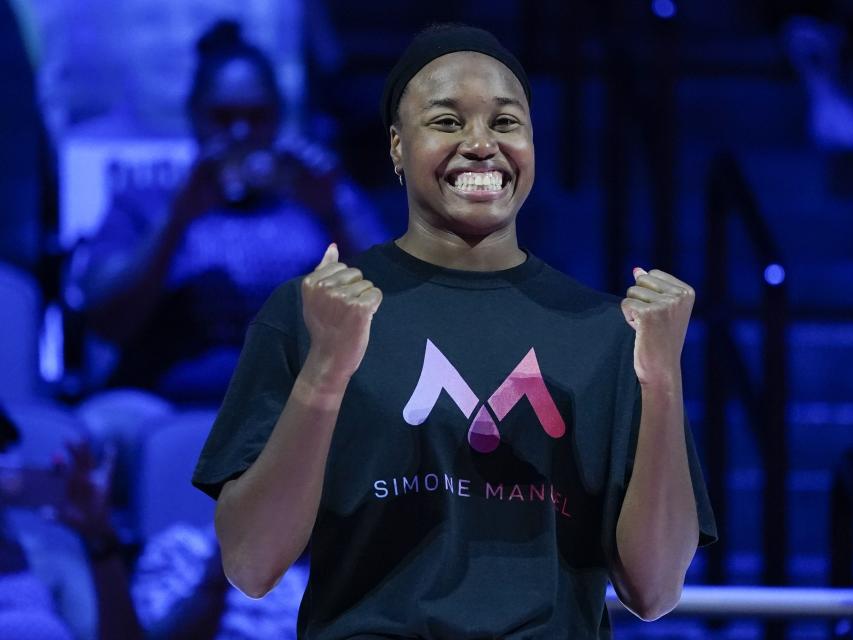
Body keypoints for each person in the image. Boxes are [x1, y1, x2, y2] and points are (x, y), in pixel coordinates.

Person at [193, 24, 717, 639]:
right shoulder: (310, 314)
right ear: (395, 146)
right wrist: (325, 372)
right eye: (446, 121)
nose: (480, 145)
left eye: (505, 122)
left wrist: (662, 379)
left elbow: (654, 591)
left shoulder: (606, 332)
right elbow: (251, 564)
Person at [68, 20, 388, 403]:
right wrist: (175, 220)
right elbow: (106, 320)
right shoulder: (147, 199)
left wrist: (334, 214)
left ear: (279, 116)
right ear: (194, 114)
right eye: (223, 117)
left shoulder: (320, 194)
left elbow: (395, 310)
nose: (240, 133)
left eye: (257, 117)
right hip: (168, 403)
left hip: (300, 403)